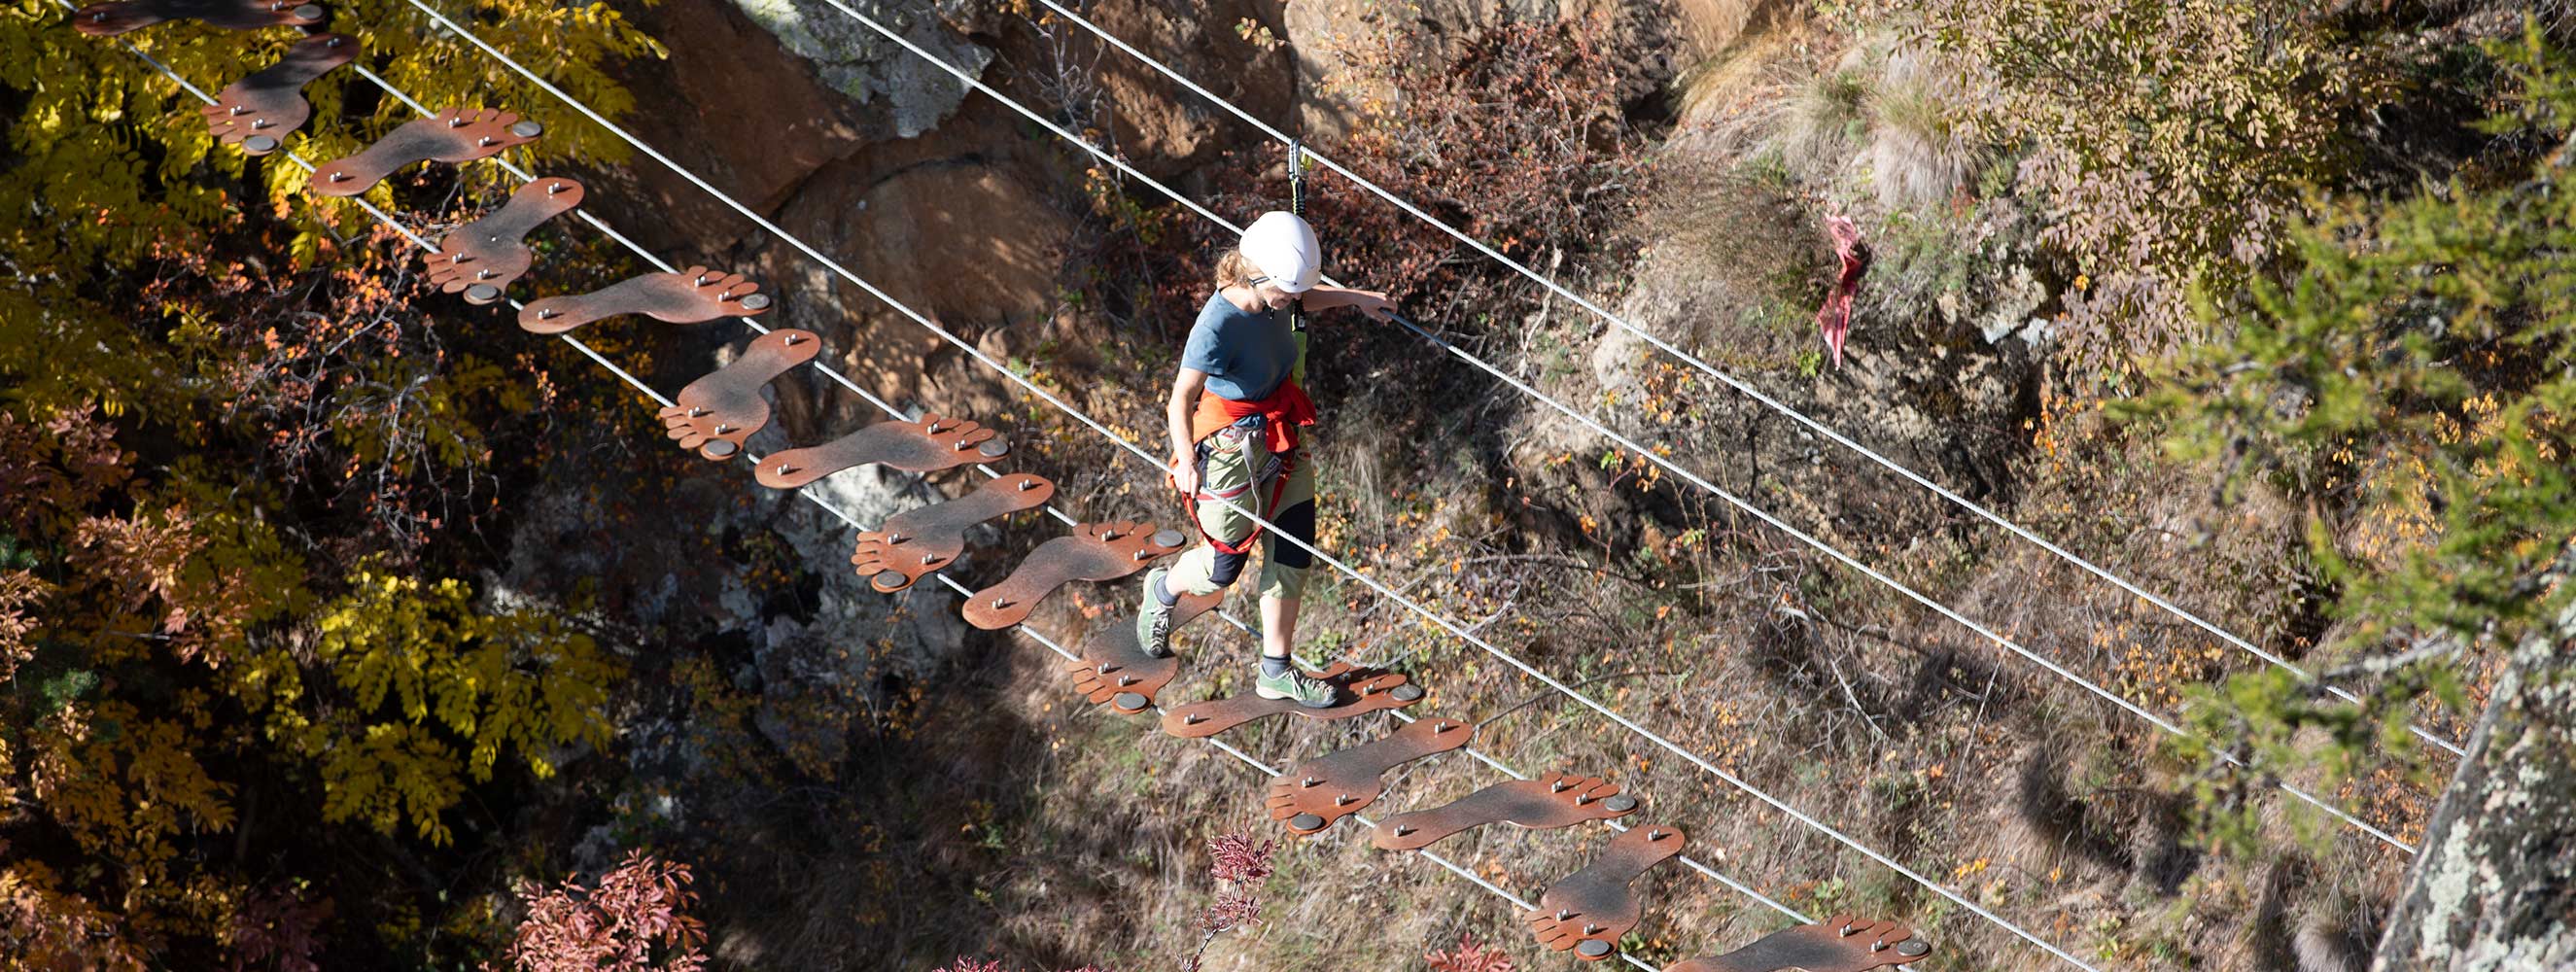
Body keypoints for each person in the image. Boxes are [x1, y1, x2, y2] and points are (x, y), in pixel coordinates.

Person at [1135, 211, 1393, 707]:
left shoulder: (1277, 294)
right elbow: (1180, 399)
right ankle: (1163, 589)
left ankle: (1275, 671)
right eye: (1287, 291)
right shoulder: (1216, 324)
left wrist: (1357, 299)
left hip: (1279, 433)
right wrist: (1186, 461)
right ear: (1257, 277)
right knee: (1220, 571)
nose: (1293, 302)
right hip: (1231, 447)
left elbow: (1303, 299)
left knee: (1294, 545)